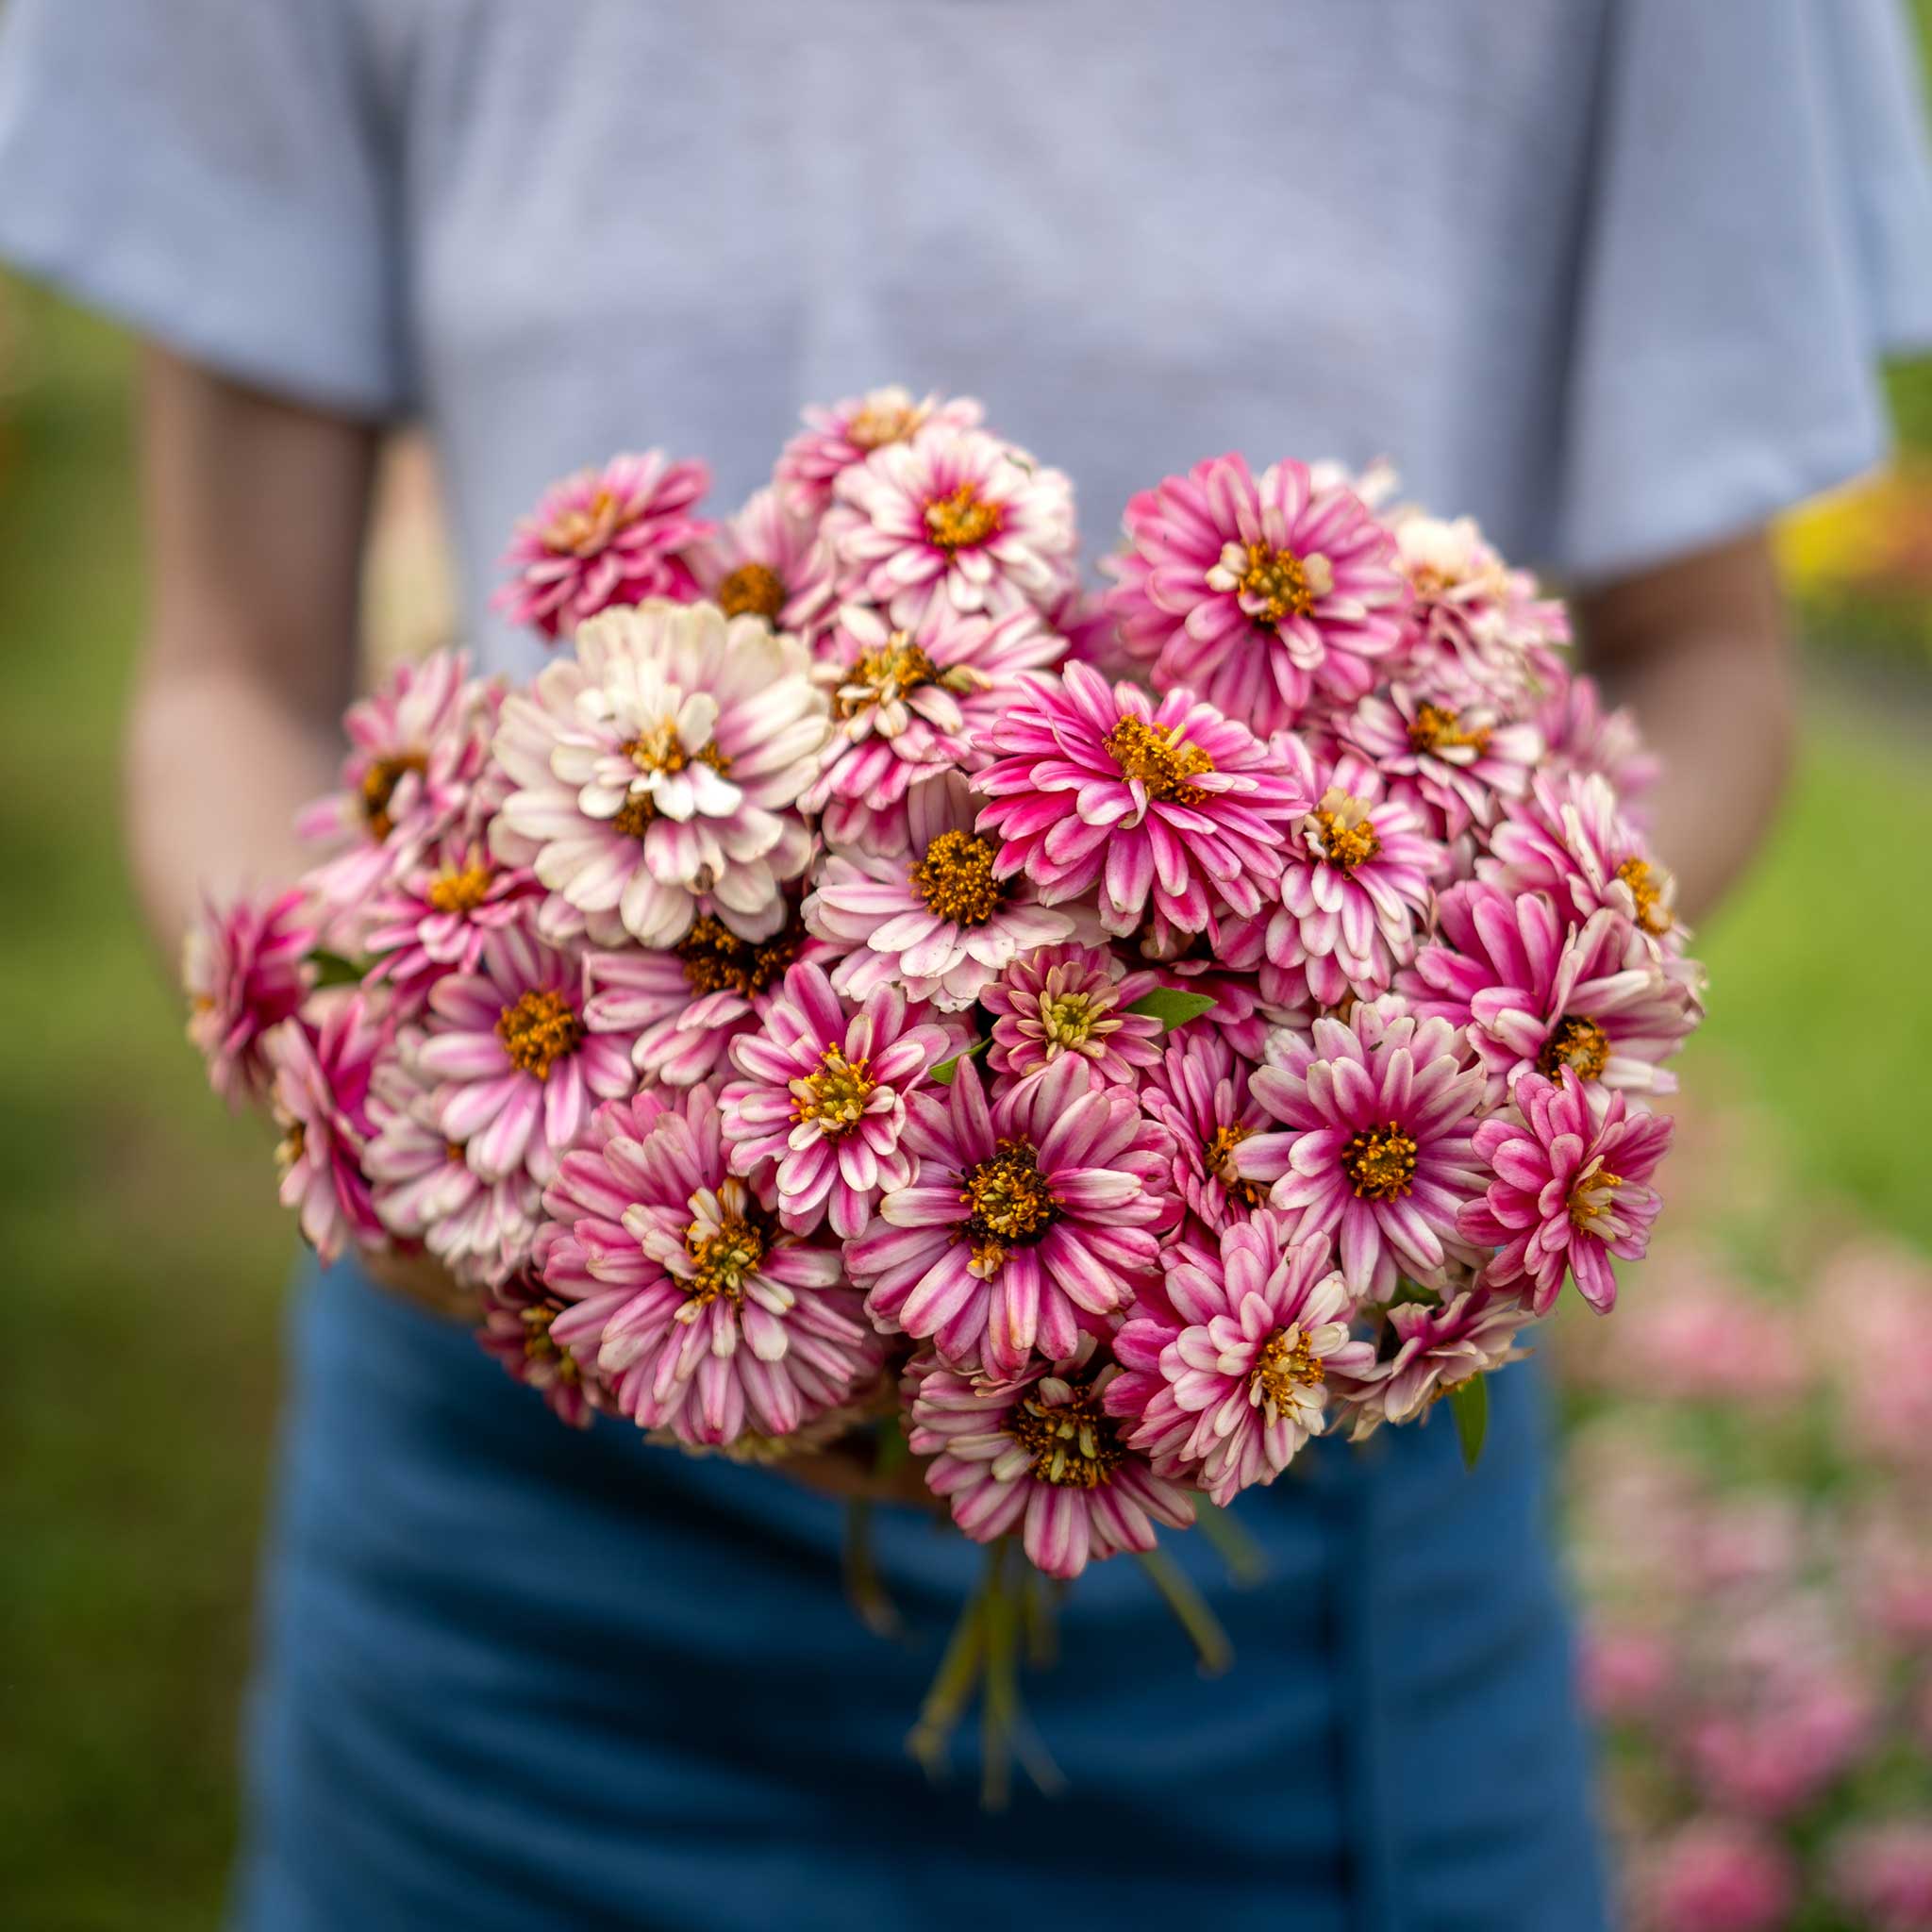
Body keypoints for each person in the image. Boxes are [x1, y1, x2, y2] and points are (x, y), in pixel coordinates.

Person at [3, 2, 1929, 1925]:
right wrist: (384, 1115)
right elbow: (231, 677)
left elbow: (1706, 655)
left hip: (1286, 1484)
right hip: (529, 1512)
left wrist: (1447, 1057)